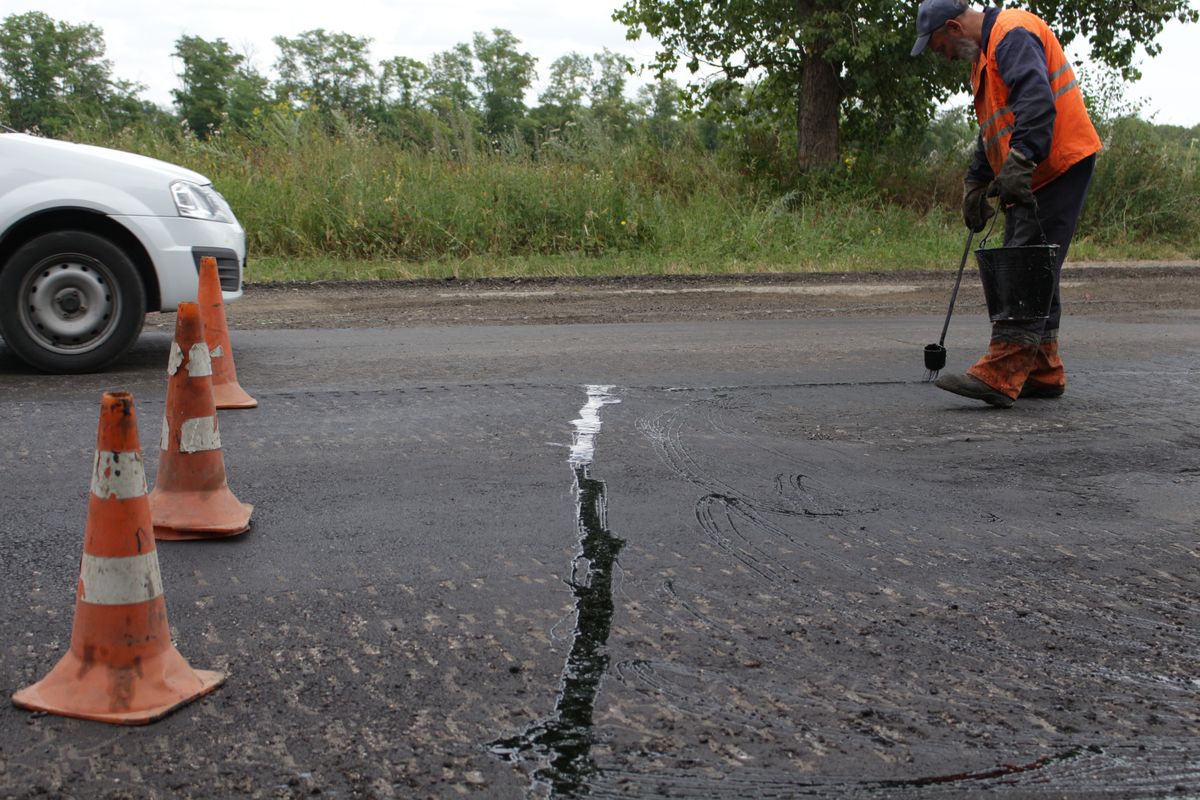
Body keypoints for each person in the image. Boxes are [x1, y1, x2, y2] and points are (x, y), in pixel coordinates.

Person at [911, 0, 1102, 408]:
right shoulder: (984, 60)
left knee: (1024, 262)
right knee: (1035, 261)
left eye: (937, 45)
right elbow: (993, 126)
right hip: (1035, 168)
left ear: (953, 27)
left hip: (1057, 164)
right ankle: (1042, 369)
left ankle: (1001, 371)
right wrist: (976, 181)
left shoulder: (1011, 34)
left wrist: (1020, 161)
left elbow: (1036, 101)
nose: (938, 54)